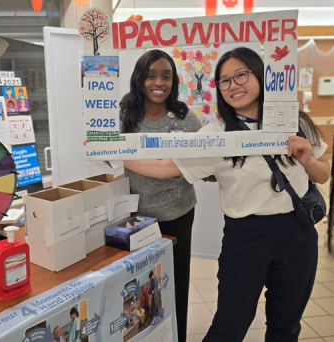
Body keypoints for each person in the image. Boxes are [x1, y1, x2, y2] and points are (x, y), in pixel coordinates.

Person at [124, 47, 330, 341]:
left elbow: (323, 173)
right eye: (225, 81)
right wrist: (109, 152)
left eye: (241, 75)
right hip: (246, 237)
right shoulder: (215, 134)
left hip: (298, 233)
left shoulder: (292, 121)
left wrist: (308, 159)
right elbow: (162, 168)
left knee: (286, 327)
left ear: (259, 75)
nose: (234, 85)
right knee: (229, 327)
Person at [120, 49, 202, 342]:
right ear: (140, 79)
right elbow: (107, 152)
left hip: (177, 214)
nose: (159, 82)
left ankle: (176, 335)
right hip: (135, 218)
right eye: (152, 75)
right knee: (141, 286)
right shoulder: (126, 114)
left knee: (176, 281)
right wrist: (99, 146)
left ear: (174, 81)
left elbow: (199, 163)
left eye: (166, 76)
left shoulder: (185, 119)